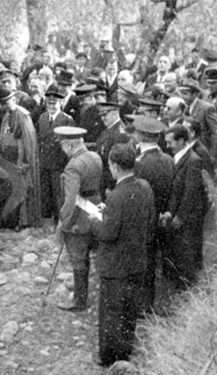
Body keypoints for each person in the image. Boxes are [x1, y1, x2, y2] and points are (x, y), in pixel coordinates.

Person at [91, 143, 156, 367]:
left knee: (110, 313)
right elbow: (148, 221)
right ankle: (125, 353)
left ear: (115, 166)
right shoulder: (145, 187)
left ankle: (109, 358)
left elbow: (108, 233)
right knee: (129, 312)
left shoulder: (117, 196)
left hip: (115, 264)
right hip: (137, 261)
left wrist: (95, 220)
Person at [54, 126, 102, 312]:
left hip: (78, 218)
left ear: (70, 144)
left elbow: (71, 199)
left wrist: (63, 222)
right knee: (91, 254)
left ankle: (80, 300)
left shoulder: (73, 166)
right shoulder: (95, 157)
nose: (62, 150)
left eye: (63, 146)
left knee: (78, 259)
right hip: (95, 212)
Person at [132, 116, 174, 313]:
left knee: (145, 263)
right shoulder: (167, 159)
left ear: (140, 136)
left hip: (144, 219)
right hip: (163, 216)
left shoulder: (139, 164)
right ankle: (161, 301)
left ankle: (143, 305)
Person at [0, 83, 41, 229]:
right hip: (4, 160)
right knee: (6, 190)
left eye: (7, 102)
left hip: (18, 161)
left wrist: (23, 161)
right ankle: (6, 221)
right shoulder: (5, 116)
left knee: (18, 191)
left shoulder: (23, 115)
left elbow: (28, 142)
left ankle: (20, 222)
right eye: (2, 103)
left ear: (14, 99)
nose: (4, 105)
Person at [162, 125, 208, 289]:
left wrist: (179, 217)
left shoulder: (193, 161)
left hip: (187, 218)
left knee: (186, 255)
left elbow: (191, 193)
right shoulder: (178, 157)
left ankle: (188, 290)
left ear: (181, 140)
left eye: (170, 142)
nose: (167, 146)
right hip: (177, 215)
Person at [37, 85, 75, 229]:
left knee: (58, 194)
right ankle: (47, 223)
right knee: (45, 194)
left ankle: (59, 224)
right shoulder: (42, 118)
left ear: (61, 103)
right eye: (49, 103)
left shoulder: (67, 120)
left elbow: (71, 145)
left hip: (59, 164)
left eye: (55, 103)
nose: (51, 106)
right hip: (45, 162)